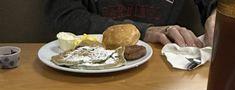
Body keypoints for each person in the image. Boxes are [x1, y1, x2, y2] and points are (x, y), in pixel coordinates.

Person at [46, 0, 217, 48]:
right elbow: (64, 17)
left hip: (164, 68)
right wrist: (144, 31)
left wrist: (216, 14)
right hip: (90, 69)